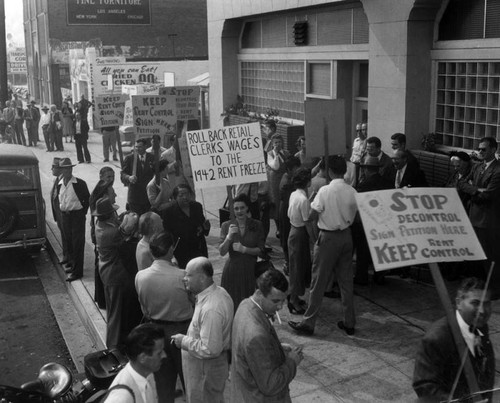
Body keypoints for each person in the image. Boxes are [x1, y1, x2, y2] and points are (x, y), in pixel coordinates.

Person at [289, 156, 358, 336]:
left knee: (318, 280)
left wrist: (312, 201)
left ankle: (309, 321)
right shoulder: (352, 191)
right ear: (344, 170)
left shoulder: (325, 191)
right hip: (346, 236)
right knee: (345, 281)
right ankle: (349, 321)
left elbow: (311, 216)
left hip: (328, 237)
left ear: (329, 171)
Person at [413, 278, 495, 402]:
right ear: (458, 303)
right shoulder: (436, 338)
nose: (483, 311)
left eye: (487, 303)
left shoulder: (481, 326)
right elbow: (424, 387)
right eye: (475, 303)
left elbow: (483, 364)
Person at [135, 231, 194, 403]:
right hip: (182, 331)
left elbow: (144, 308)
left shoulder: (140, 277)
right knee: (189, 381)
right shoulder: (183, 276)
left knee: (162, 384)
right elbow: (194, 302)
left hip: (156, 331)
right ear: (170, 250)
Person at [231, 269, 303, 402]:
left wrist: (275, 347)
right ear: (259, 293)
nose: (281, 307)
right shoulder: (256, 335)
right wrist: (292, 362)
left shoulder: (245, 304)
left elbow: (249, 351)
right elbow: (270, 385)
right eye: (276, 301)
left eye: (283, 301)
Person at [171, 257, 234, 403]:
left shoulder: (211, 308)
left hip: (205, 371)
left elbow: (210, 348)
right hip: (207, 369)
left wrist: (183, 341)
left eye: (188, 275)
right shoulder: (219, 292)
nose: (184, 278)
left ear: (202, 278)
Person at [95, 197, 141, 349]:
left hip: (106, 271)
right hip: (114, 273)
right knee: (115, 312)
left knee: (113, 309)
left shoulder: (100, 225)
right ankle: (113, 347)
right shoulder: (110, 232)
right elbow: (125, 231)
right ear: (110, 214)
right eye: (113, 211)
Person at [457, 137, 500, 294]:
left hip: (488, 220)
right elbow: (461, 183)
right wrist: (477, 190)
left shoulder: (497, 170)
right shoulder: (477, 167)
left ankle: (495, 288)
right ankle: (481, 284)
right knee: (476, 255)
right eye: (479, 149)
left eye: (484, 149)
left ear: (494, 150)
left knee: (490, 256)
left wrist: (473, 190)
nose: (480, 152)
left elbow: (488, 196)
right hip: (474, 216)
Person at [219, 194, 265, 310]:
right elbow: (222, 252)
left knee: (248, 305)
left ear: (247, 208)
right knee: (231, 305)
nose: (239, 211)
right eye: (236, 208)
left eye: (242, 208)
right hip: (232, 270)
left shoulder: (257, 224)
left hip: (249, 270)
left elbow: (261, 250)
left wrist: (244, 249)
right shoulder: (226, 225)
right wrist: (228, 238)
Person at [352, 157, 392, 285]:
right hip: (382, 222)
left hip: (365, 223)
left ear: (366, 169)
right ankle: (379, 275)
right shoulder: (387, 182)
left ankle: (361, 277)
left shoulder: (364, 184)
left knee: (362, 251)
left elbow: (358, 204)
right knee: (380, 251)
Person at [104, 323, 166, 403]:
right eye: (159, 353)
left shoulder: (148, 373)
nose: (164, 355)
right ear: (143, 358)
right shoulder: (121, 398)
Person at [57, 158, 90, 282]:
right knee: (69, 241)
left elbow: (87, 199)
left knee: (77, 244)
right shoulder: (59, 183)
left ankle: (77, 272)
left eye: (69, 168)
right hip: (65, 216)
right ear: (61, 170)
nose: (68, 170)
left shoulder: (79, 183)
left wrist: (82, 213)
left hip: (77, 216)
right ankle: (72, 265)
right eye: (65, 168)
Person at [89, 167, 118, 309]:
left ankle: (100, 297)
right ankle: (101, 298)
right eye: (108, 177)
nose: (111, 179)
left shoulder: (103, 190)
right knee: (100, 265)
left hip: (100, 232)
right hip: (100, 234)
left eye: (112, 176)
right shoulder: (101, 194)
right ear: (101, 176)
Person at [162, 184, 209, 269]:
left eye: (187, 194)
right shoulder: (168, 212)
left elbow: (202, 224)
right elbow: (167, 233)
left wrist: (204, 227)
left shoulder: (197, 206)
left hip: (198, 248)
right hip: (181, 251)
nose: (185, 197)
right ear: (175, 197)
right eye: (181, 195)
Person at [287, 168, 314, 314]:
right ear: (307, 182)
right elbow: (307, 222)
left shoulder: (294, 194)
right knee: (298, 268)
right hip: (300, 234)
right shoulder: (303, 200)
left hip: (293, 231)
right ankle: (293, 300)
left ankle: (295, 297)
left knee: (296, 266)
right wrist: (314, 240)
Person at [279, 156, 302, 274]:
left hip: (289, 211)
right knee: (286, 237)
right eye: (297, 168)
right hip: (286, 212)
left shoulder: (291, 177)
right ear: (290, 169)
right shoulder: (287, 180)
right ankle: (289, 263)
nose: (299, 170)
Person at [121, 138, 155, 216]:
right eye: (136, 147)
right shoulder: (130, 158)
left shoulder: (152, 158)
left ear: (145, 146)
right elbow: (123, 174)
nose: (137, 149)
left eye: (140, 147)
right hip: (134, 197)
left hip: (148, 196)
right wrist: (129, 177)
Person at [267, 134, 290, 237]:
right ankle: (278, 228)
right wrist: (276, 154)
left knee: (286, 201)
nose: (278, 144)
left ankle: (286, 225)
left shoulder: (286, 153)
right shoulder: (270, 154)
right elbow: (275, 166)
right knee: (276, 202)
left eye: (279, 142)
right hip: (275, 181)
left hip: (284, 178)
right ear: (272, 144)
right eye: (275, 142)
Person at [50, 157, 69, 265]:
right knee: (63, 235)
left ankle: (68, 257)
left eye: (53, 167)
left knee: (67, 237)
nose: (51, 169)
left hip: (63, 214)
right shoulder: (56, 180)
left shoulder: (63, 182)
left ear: (59, 168)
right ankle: (66, 255)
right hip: (58, 213)